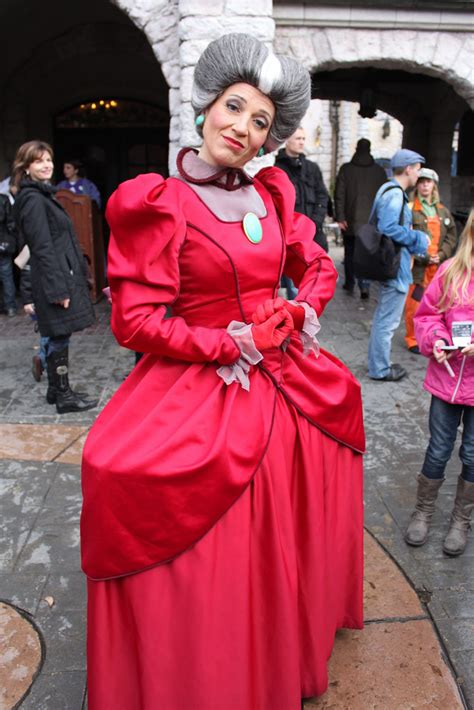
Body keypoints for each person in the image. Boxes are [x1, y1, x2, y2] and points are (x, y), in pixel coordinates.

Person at [81, 33, 365, 710]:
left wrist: (296, 316)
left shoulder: (273, 194)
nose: (242, 127)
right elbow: (134, 323)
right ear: (207, 107)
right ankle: (205, 664)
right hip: (203, 371)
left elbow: (318, 267)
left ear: (272, 138)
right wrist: (226, 345)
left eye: (261, 121)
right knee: (116, 466)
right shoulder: (158, 202)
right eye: (235, 108)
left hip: (283, 369)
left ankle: (282, 637)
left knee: (337, 415)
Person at [405, 209, 474, 556]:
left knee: (473, 454)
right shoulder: (451, 272)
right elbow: (428, 315)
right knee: (438, 449)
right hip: (447, 380)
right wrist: (436, 342)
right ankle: (424, 511)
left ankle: (461, 519)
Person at [12, 140, 97, 413]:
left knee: (61, 335)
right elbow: (41, 248)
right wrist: (58, 289)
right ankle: (64, 397)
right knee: (59, 337)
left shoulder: (42, 195)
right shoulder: (33, 199)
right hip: (53, 280)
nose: (46, 165)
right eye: (38, 161)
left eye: (48, 159)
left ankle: (54, 390)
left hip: (59, 275)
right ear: (26, 168)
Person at [367, 148, 431, 382]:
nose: (418, 174)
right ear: (408, 169)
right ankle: (380, 369)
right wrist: (418, 238)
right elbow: (388, 228)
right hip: (395, 268)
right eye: (417, 169)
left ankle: (378, 364)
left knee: (384, 319)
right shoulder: (395, 194)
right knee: (387, 321)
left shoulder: (388, 190)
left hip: (392, 266)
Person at [404, 168, 458, 353]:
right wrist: (425, 256)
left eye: (429, 181)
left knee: (439, 304)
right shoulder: (410, 209)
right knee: (414, 304)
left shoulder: (443, 211)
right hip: (419, 269)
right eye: (422, 181)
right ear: (417, 185)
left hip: (438, 267)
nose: (425, 184)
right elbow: (407, 236)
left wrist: (441, 255)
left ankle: (435, 337)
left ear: (434, 185)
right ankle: (413, 339)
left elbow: (451, 237)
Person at [335, 138, 386, 299]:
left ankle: (349, 282)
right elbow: (384, 199)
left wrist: (341, 217)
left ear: (356, 149)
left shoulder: (346, 170)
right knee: (366, 256)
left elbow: (339, 195)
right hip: (371, 223)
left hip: (350, 221)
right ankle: (365, 286)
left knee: (350, 253)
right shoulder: (379, 171)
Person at [275, 126, 329, 252]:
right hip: (290, 234)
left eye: (303, 139)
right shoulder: (278, 170)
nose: (302, 142)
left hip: (314, 232)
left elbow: (322, 195)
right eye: (298, 138)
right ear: (287, 140)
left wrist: (315, 222)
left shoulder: (312, 168)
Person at [0, 179, 18, 316]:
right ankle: (10, 306)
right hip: (3, 242)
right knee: (6, 274)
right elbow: (11, 224)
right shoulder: (4, 199)